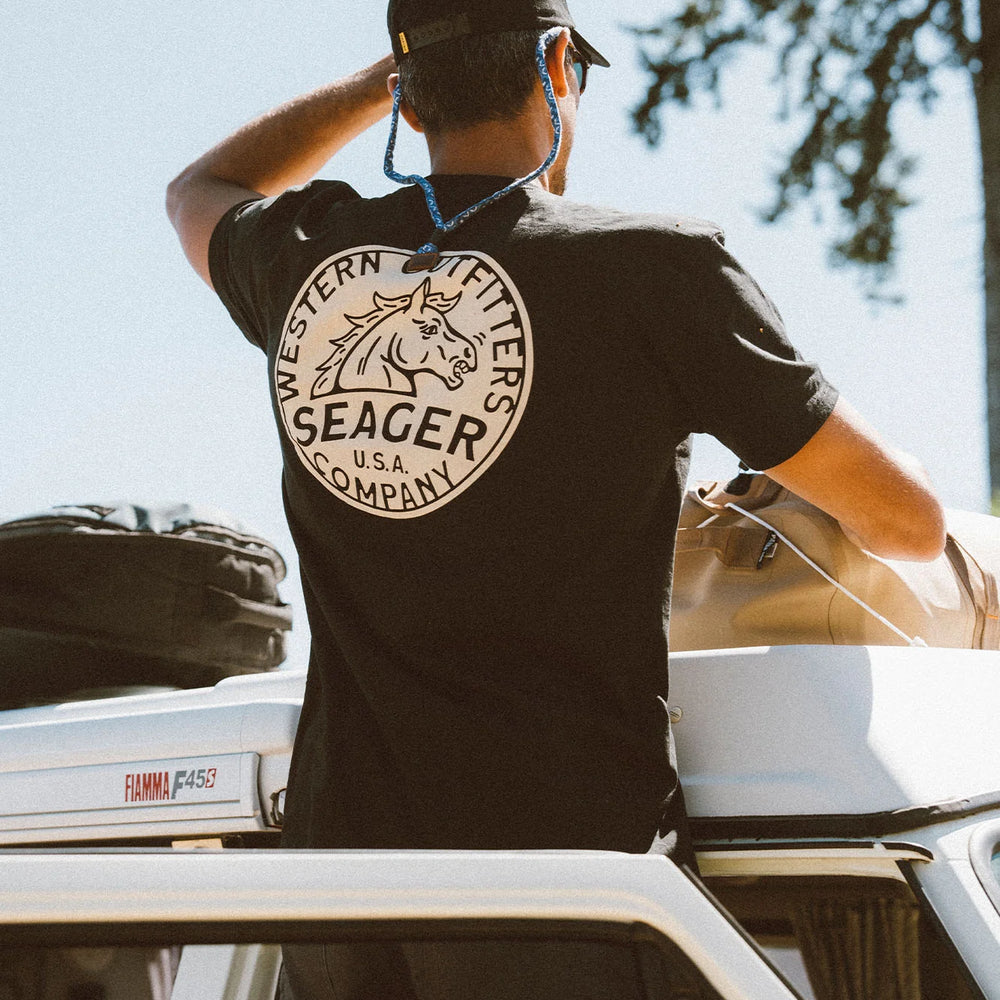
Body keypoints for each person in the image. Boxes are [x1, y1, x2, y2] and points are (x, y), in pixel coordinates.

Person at [167, 1, 946, 995]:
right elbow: (907, 525)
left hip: (342, 885)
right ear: (555, 67)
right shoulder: (653, 267)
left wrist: (382, 84)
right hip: (564, 881)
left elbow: (200, 188)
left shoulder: (311, 262)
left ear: (410, 90)